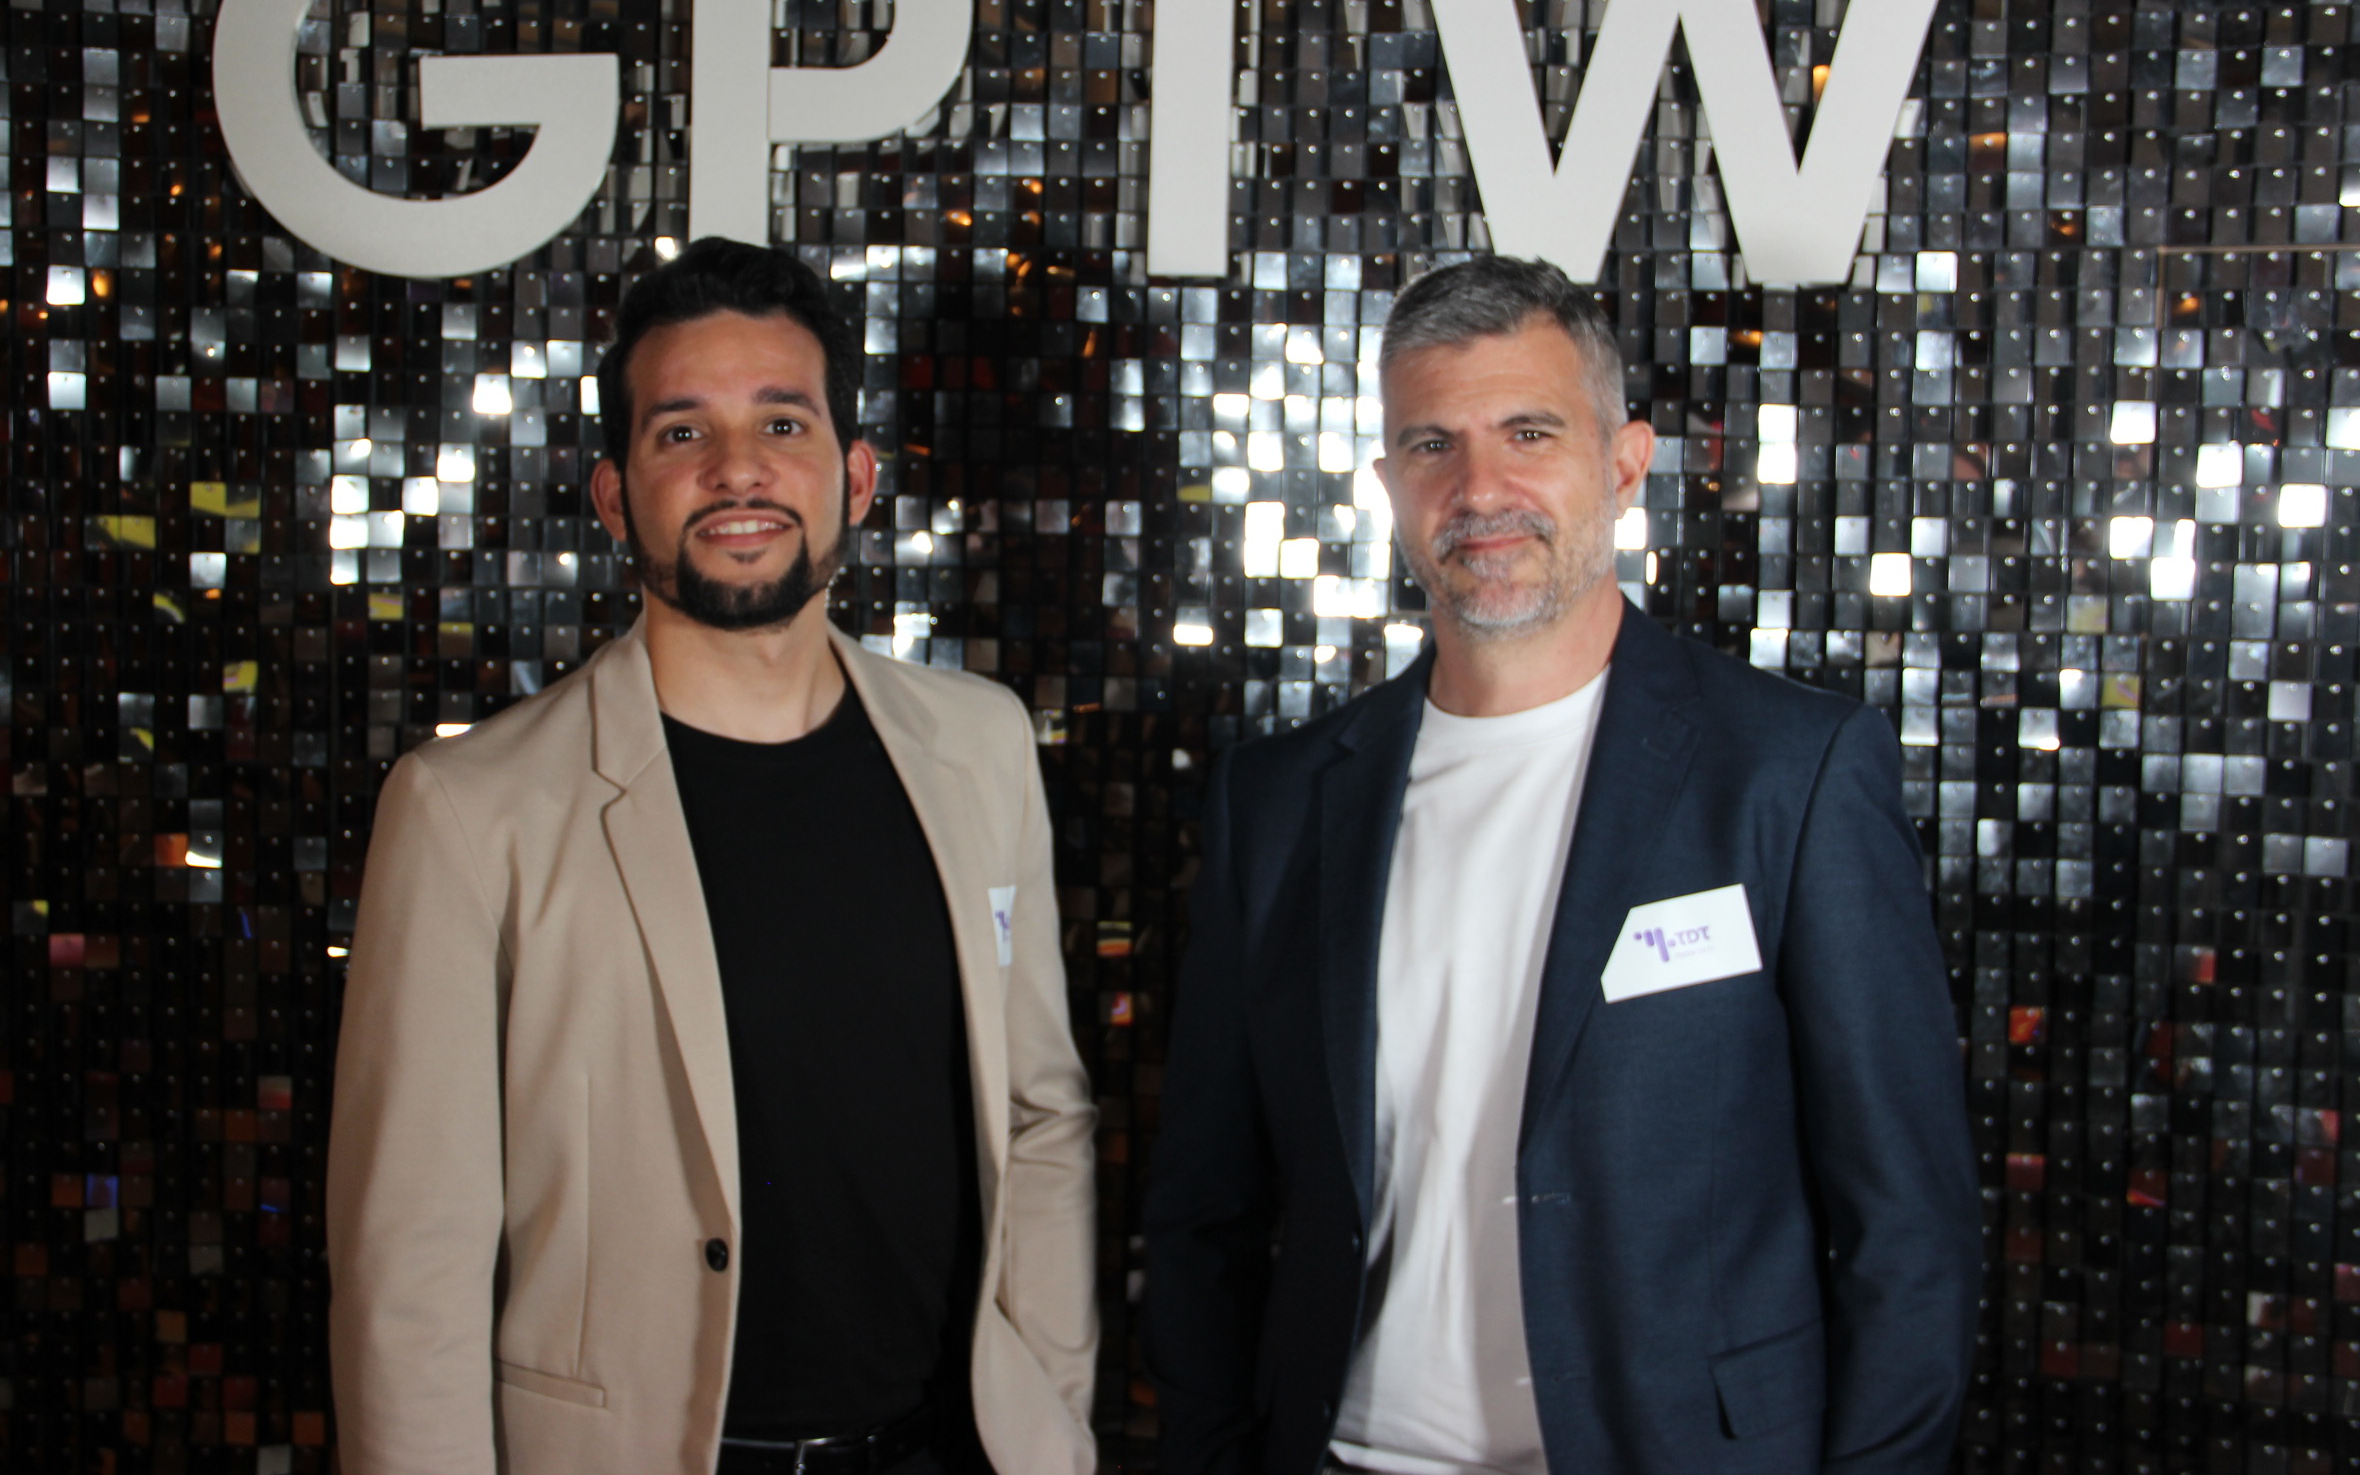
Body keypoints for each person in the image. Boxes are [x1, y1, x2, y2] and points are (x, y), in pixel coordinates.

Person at [1143, 256, 1979, 1475]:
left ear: (1625, 465)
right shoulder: (1280, 805)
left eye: (1528, 434)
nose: (1480, 489)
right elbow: (1204, 1209)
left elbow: (1908, 1226)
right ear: (1389, 485)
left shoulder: (1789, 775)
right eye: (1433, 445)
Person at [329, 238, 1098, 1475]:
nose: (738, 468)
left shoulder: (981, 745)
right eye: (681, 432)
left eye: (783, 424)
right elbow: (412, 1260)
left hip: (955, 1449)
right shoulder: (467, 811)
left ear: (856, 476)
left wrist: (1050, 1409)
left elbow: (1040, 1113)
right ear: (613, 495)